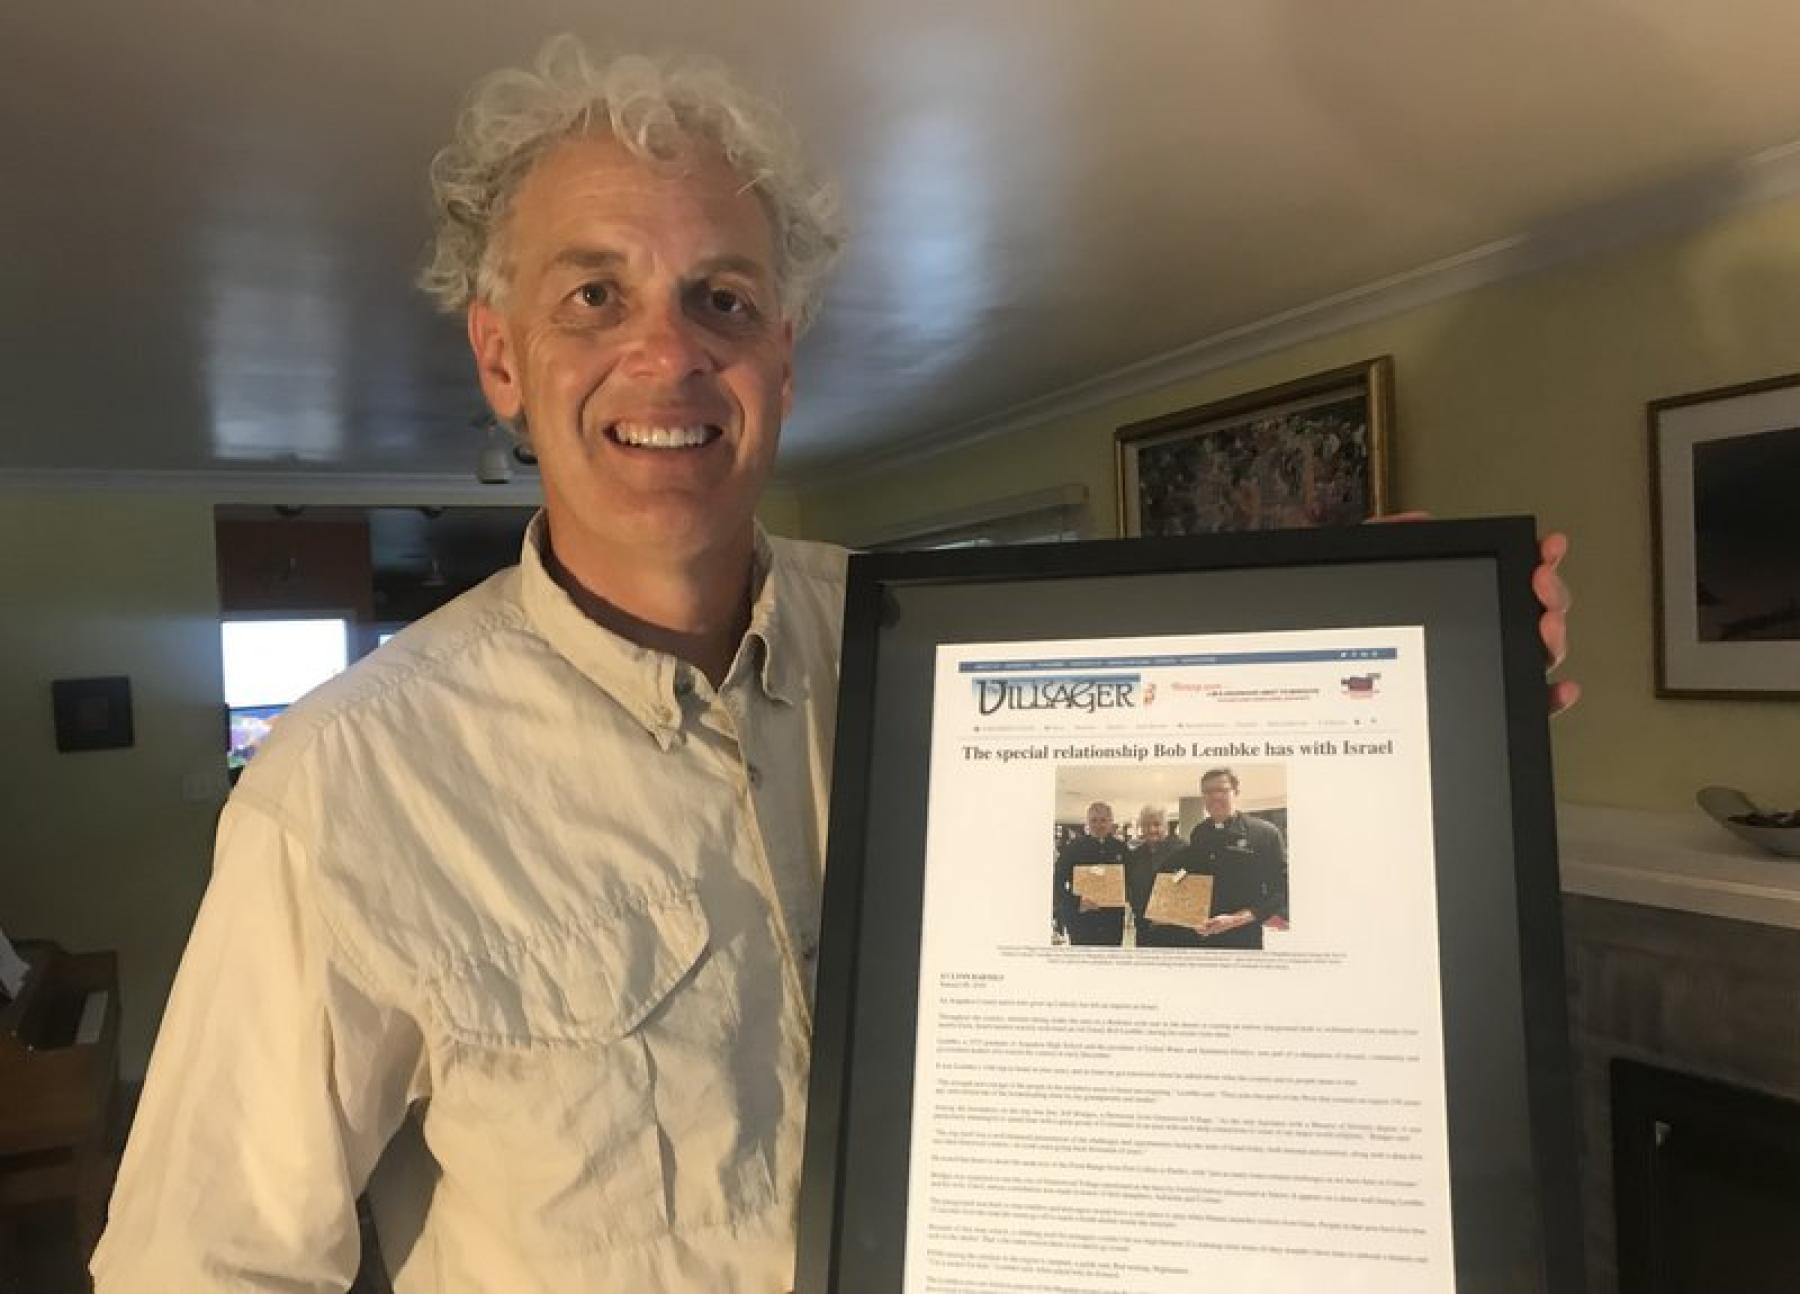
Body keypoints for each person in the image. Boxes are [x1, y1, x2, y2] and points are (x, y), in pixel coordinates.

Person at [93, 34, 1578, 1293]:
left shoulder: (952, 656)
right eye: (593, 293)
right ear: (501, 357)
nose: (667, 355)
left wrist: (1415, 652)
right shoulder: (344, 787)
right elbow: (195, 1263)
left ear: (784, 358)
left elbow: (1208, 845)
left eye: (722, 299)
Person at [1166, 768, 1288, 951]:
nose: (1214, 797)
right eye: (1207, 792)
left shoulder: (1264, 833)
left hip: (1243, 938)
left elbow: (1280, 891)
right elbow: (1189, 871)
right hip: (1200, 935)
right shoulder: (1200, 832)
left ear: (1236, 792)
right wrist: (1170, 884)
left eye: (1222, 790)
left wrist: (1236, 919)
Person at [1053, 800, 1129, 945]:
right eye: (1094, 820)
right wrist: (1076, 902)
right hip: (1081, 921)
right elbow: (1057, 882)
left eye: (1103, 820)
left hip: (1111, 922)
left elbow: (1132, 880)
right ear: (1087, 822)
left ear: (1111, 822)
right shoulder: (1073, 848)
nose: (1098, 825)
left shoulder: (1121, 848)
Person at [1123, 803, 1181, 945]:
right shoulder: (1135, 855)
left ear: (1166, 826)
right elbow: (1129, 886)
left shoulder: (1181, 850)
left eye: (1156, 824)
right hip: (1144, 926)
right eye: (1146, 825)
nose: (1151, 829)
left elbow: (1191, 885)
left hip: (1175, 928)